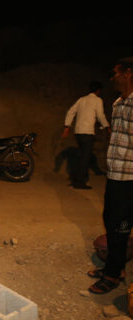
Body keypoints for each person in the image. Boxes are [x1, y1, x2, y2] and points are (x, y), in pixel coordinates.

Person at [88, 57, 133, 294]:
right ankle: (115, 267)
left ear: (128, 73)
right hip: (115, 175)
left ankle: (113, 275)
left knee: (121, 227)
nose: (111, 77)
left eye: (115, 73)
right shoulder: (117, 104)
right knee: (111, 221)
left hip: (130, 178)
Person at [61, 81, 111, 189]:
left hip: (78, 133)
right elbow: (100, 115)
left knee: (81, 157)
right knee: (85, 158)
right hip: (87, 133)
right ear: (98, 90)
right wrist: (107, 127)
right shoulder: (97, 100)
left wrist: (67, 127)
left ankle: (76, 180)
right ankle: (79, 183)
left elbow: (70, 111)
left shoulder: (81, 100)